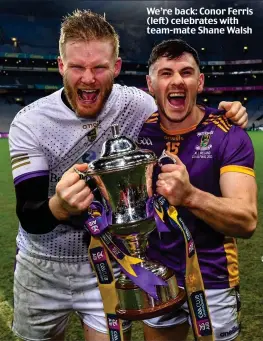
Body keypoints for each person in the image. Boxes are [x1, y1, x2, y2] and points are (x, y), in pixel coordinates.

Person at [8, 10, 249, 341]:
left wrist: (230, 111)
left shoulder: (138, 104)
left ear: (116, 68)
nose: (89, 78)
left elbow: (180, 107)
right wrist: (60, 207)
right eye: (77, 67)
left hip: (109, 264)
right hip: (43, 264)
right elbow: (29, 215)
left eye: (100, 68)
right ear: (62, 66)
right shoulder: (29, 122)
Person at [137, 39, 258, 341]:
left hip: (212, 278)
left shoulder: (228, 134)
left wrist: (190, 196)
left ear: (199, 82)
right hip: (157, 276)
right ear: (150, 84)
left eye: (186, 72)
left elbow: (246, 220)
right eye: (165, 73)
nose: (177, 80)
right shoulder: (140, 132)